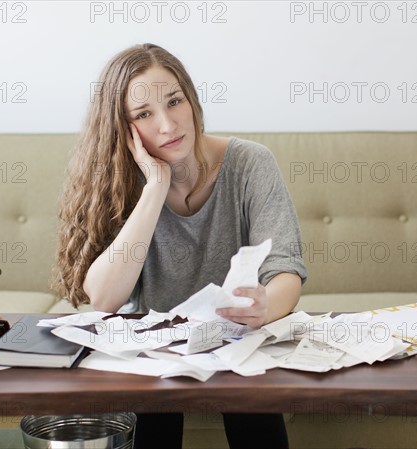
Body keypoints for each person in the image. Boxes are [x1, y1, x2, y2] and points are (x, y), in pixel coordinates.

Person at [53, 43, 307, 449]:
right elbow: (102, 298)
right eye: (144, 114)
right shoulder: (121, 179)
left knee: (255, 414)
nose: (169, 125)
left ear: (191, 99)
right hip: (154, 346)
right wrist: (156, 186)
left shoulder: (250, 164)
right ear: (123, 129)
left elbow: (285, 269)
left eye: (174, 102)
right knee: (151, 422)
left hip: (237, 338)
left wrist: (265, 307)